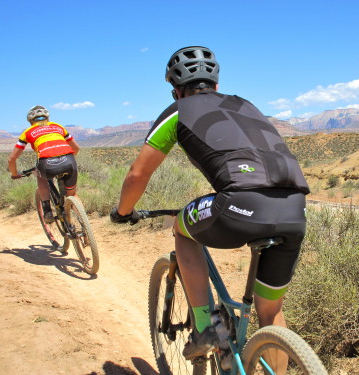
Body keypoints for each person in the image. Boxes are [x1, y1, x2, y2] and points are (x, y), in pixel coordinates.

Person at [110, 46, 310, 360]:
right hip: (295, 207)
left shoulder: (178, 111)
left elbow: (138, 174)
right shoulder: (245, 105)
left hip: (239, 205)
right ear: (216, 85)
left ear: (176, 92)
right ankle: (270, 342)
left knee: (182, 229)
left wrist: (122, 212)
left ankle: (205, 328)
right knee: (270, 313)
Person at [8, 105, 80, 223]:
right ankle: (86, 234)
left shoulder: (28, 132)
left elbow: (11, 159)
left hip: (46, 164)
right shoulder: (58, 126)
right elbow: (76, 148)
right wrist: (64, 159)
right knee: (72, 194)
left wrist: (15, 174)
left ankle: (47, 210)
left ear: (31, 121)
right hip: (69, 161)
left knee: (40, 175)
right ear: (47, 117)